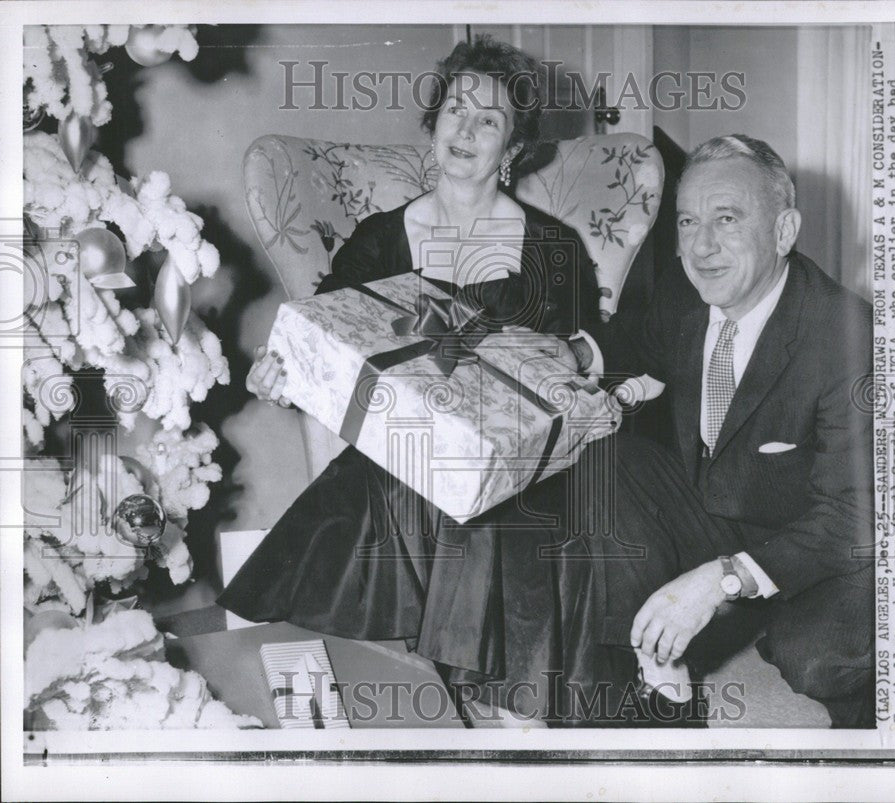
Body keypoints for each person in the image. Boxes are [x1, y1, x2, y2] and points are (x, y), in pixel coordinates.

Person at [218, 36, 607, 726]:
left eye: (488, 120)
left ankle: (500, 713)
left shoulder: (552, 251)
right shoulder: (375, 240)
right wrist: (280, 374)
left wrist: (568, 354)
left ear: (513, 148)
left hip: (512, 471)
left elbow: (581, 365)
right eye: (456, 109)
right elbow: (326, 341)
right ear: (433, 124)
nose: (465, 128)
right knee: (409, 496)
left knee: (485, 505)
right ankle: (408, 705)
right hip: (394, 457)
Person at [574, 134, 875, 728]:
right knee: (605, 458)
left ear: (784, 231)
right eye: (688, 221)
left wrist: (723, 580)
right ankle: (654, 691)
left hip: (819, 539)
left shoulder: (848, 335)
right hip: (722, 507)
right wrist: (565, 352)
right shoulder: (687, 292)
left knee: (815, 660)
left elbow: (849, 516)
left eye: (727, 219)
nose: (701, 247)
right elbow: (632, 343)